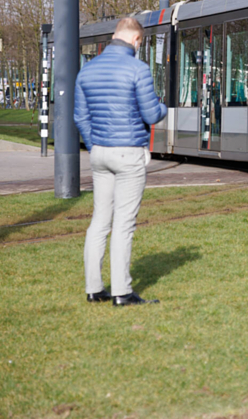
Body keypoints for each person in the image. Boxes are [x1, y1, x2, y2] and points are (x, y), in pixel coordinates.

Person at [75, 17, 167, 307]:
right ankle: (122, 293)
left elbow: (81, 117)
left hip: (100, 153)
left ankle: (94, 288)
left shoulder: (86, 71)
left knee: (99, 221)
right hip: (128, 153)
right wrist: (164, 106)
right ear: (136, 40)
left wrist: (94, 145)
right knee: (124, 223)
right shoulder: (138, 69)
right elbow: (152, 115)